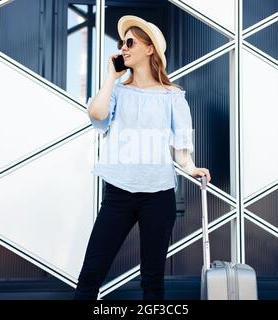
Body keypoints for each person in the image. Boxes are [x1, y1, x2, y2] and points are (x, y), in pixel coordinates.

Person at [74, 15, 211, 300]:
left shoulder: (172, 96)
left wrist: (191, 167)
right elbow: (97, 115)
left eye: (130, 42)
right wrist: (111, 77)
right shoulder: (118, 91)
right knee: (90, 276)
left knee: (152, 281)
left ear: (149, 49)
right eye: (122, 43)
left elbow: (181, 146)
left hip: (158, 195)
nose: (123, 48)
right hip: (118, 193)